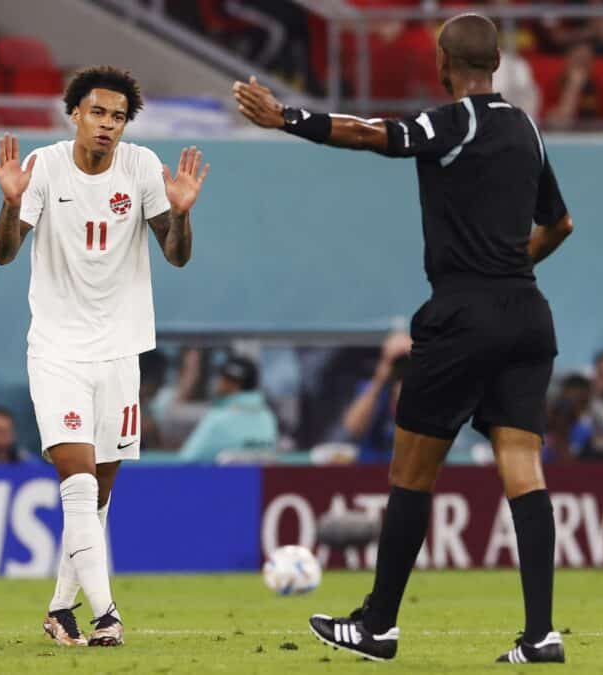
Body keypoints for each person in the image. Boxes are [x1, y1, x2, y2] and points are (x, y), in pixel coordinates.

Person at [234, 13, 573, 665]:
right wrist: (512, 270)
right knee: (524, 469)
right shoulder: (527, 126)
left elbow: (371, 133)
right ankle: (540, 635)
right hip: (528, 313)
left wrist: (288, 119)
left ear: (443, 64)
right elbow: (559, 222)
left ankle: (379, 626)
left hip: (462, 315)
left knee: (412, 471)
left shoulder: (455, 121)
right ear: (499, 62)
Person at [0, 65, 208, 647]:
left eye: (117, 116)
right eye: (98, 113)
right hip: (58, 349)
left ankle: (62, 608)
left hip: (120, 351)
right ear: (75, 115)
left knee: (100, 491)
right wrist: (11, 204)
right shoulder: (43, 167)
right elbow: (4, 254)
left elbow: (176, 256)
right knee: (78, 481)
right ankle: (107, 613)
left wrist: (181, 213)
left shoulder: (139, 168)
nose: (107, 124)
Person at [173, 355, 277, 462]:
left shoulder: (218, 419)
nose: (218, 383)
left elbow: (186, 461)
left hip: (221, 479)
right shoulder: (268, 417)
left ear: (232, 383)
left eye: (221, 378)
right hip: (257, 479)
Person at [338, 332, 412, 463]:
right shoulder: (369, 388)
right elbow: (353, 428)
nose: (401, 365)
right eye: (397, 360)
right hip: (373, 470)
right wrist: (379, 381)